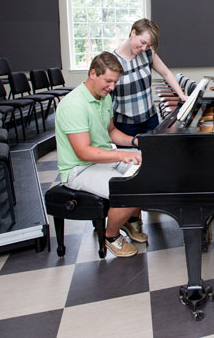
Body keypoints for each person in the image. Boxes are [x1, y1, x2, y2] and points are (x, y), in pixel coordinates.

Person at [55, 52, 147, 257]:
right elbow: (84, 152)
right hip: (79, 169)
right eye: (108, 81)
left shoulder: (103, 97)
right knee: (131, 187)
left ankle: (129, 222)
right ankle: (110, 235)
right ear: (93, 74)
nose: (112, 87)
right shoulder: (74, 105)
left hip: (102, 159)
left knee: (149, 170)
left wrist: (136, 142)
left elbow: (111, 132)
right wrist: (122, 156)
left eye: (115, 82)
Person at [112, 18, 186, 143]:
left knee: (156, 154)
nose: (144, 48)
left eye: (148, 45)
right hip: (125, 125)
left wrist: (182, 95)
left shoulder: (147, 53)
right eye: (143, 42)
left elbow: (166, 73)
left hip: (150, 120)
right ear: (133, 33)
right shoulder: (113, 61)